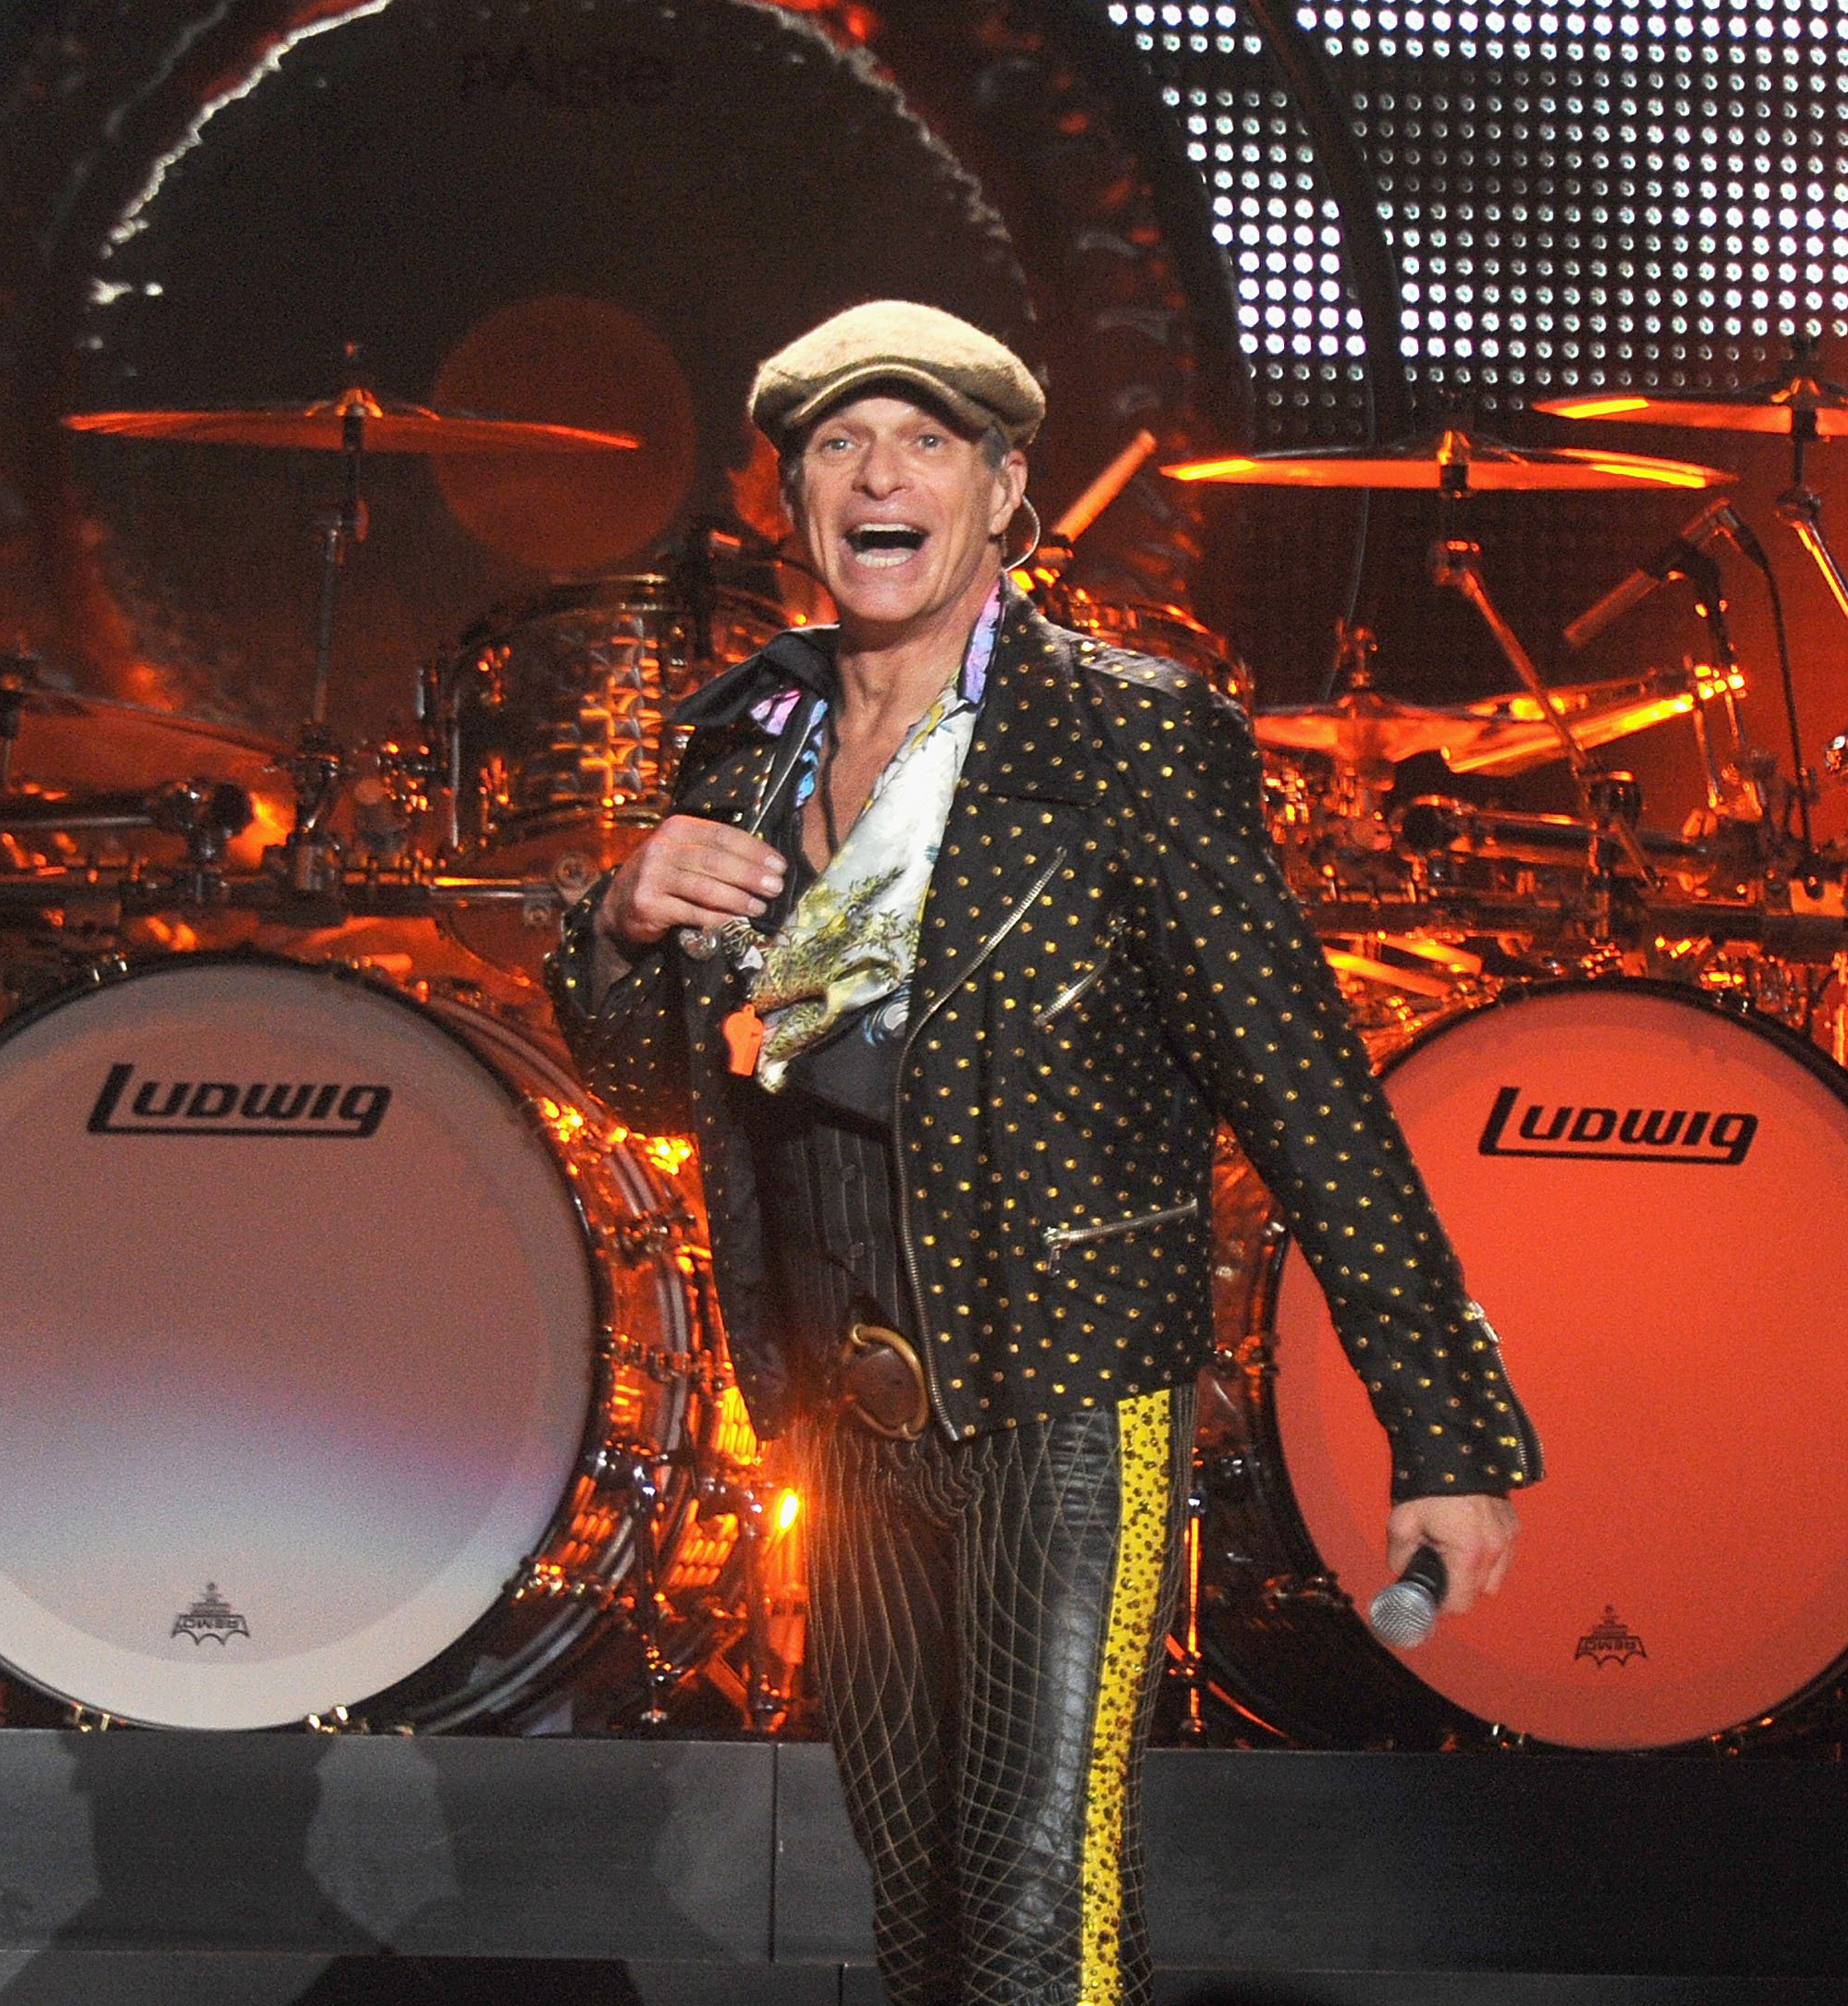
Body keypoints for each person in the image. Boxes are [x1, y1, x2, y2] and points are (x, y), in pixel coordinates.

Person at [549, 300, 1541, 2006]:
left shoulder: (1120, 733)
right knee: (922, 1895)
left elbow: (1311, 1096)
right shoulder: (747, 743)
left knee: (1034, 1904)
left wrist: (1447, 1426)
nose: (881, 474)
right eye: (840, 446)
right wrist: (622, 915)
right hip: (843, 1399)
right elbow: (656, 1081)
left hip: (1064, 1398)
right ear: (789, 502)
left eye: (927, 441)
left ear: (1006, 493)